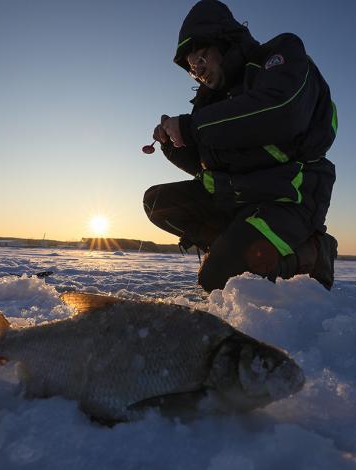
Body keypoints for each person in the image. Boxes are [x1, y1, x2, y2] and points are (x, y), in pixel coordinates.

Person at [143, 0, 338, 293]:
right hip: (238, 196)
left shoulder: (280, 56)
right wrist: (173, 143)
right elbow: (204, 166)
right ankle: (227, 247)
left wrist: (191, 127)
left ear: (223, 41)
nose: (198, 71)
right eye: (192, 69)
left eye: (201, 59)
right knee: (157, 203)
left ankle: (312, 252)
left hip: (290, 196)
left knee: (219, 280)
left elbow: (281, 109)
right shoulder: (212, 102)